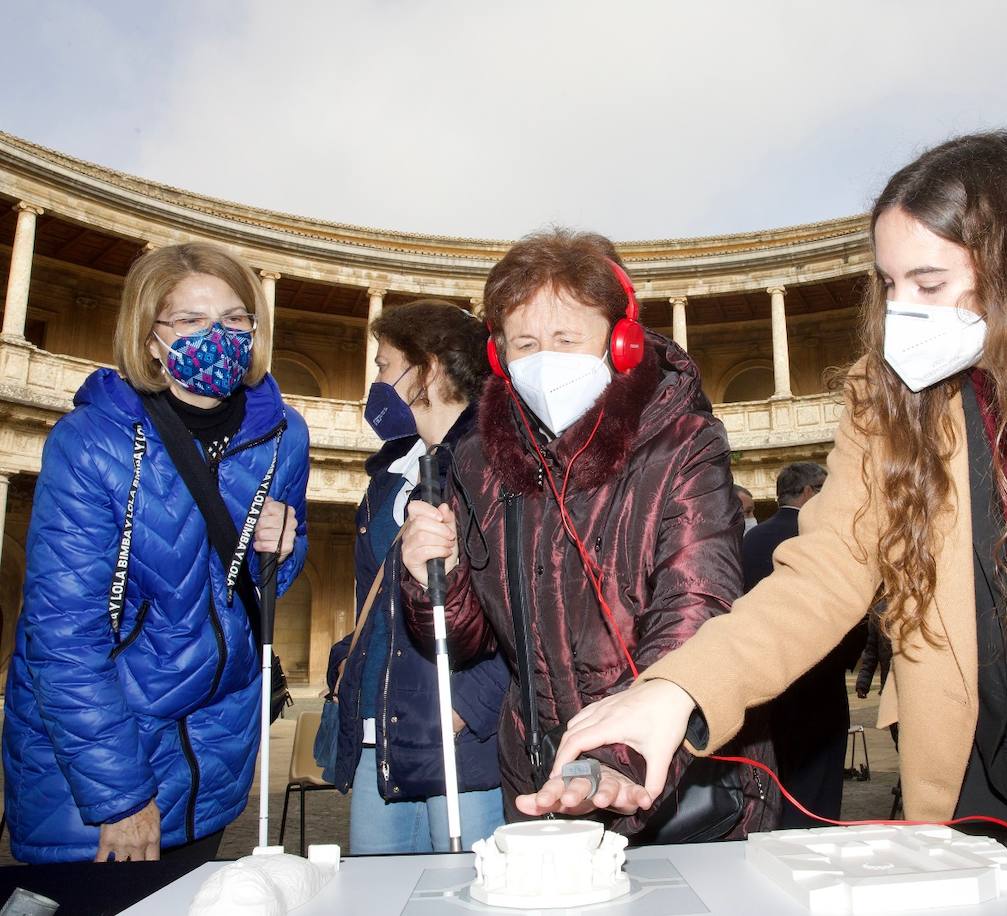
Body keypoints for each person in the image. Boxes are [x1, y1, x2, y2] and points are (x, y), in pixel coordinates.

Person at [530, 132, 1007, 895]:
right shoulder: (885, 398)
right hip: (970, 769)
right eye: (889, 284)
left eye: (928, 282)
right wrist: (678, 689)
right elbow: (823, 574)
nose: (902, 312)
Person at [400, 229, 777, 840]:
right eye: (524, 342)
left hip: (682, 774)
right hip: (542, 775)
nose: (544, 358)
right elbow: (468, 641)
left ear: (620, 342)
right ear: (499, 356)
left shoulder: (684, 443)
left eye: (567, 338)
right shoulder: (478, 461)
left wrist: (611, 758)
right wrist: (425, 579)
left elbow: (696, 606)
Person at [2, 242, 310, 864]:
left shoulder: (282, 435)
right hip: (96, 771)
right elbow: (62, 635)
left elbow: (253, 587)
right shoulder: (90, 443)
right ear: (150, 338)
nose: (217, 335)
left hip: (213, 760)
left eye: (234, 318)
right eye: (191, 321)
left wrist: (284, 545)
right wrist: (118, 794)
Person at [327, 299, 509, 853]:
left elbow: (526, 604)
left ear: (427, 369)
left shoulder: (498, 463)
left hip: (460, 734)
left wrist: (467, 707)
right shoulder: (391, 474)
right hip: (380, 729)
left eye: (384, 365)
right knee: (378, 895)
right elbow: (372, 598)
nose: (377, 383)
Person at [743, 462, 861, 826]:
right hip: (817, 675)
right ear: (810, 492)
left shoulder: (751, 540)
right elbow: (851, 607)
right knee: (820, 779)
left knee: (778, 768)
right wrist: (845, 659)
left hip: (763, 674)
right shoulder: (820, 536)